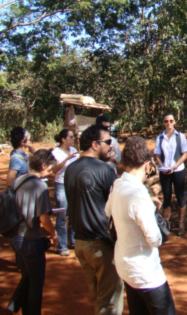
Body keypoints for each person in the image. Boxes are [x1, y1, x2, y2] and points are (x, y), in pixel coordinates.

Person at [106, 136, 177, 315]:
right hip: (146, 273)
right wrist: (161, 221)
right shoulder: (138, 194)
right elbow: (154, 239)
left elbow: (108, 211)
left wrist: (145, 205)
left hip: (125, 267)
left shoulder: (118, 184)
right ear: (147, 165)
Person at [64, 125, 124, 315]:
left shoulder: (70, 170)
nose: (111, 146)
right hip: (101, 245)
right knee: (110, 302)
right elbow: (116, 207)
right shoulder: (105, 171)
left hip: (80, 244)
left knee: (98, 296)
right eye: (107, 142)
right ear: (95, 145)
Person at [9, 149, 58, 315]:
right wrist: (54, 234)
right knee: (36, 284)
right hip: (30, 239)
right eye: (50, 169)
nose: (51, 173)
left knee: (27, 279)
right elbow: (44, 219)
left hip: (15, 237)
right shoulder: (40, 185)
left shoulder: (18, 180)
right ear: (43, 165)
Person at [154, 112, 187, 235]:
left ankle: (181, 224)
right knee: (166, 197)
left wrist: (174, 166)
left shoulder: (180, 136)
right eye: (166, 121)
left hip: (178, 170)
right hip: (165, 172)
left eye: (171, 121)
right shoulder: (159, 138)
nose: (168, 123)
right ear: (163, 123)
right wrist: (163, 167)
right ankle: (166, 224)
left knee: (180, 195)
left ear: (175, 122)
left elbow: (185, 154)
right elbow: (157, 156)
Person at [51, 129, 79, 257]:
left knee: (74, 214)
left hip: (73, 185)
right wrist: (67, 158)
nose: (73, 139)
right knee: (62, 215)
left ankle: (73, 241)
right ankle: (62, 245)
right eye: (71, 137)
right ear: (63, 139)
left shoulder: (74, 150)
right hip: (61, 185)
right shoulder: (55, 153)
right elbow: (54, 170)